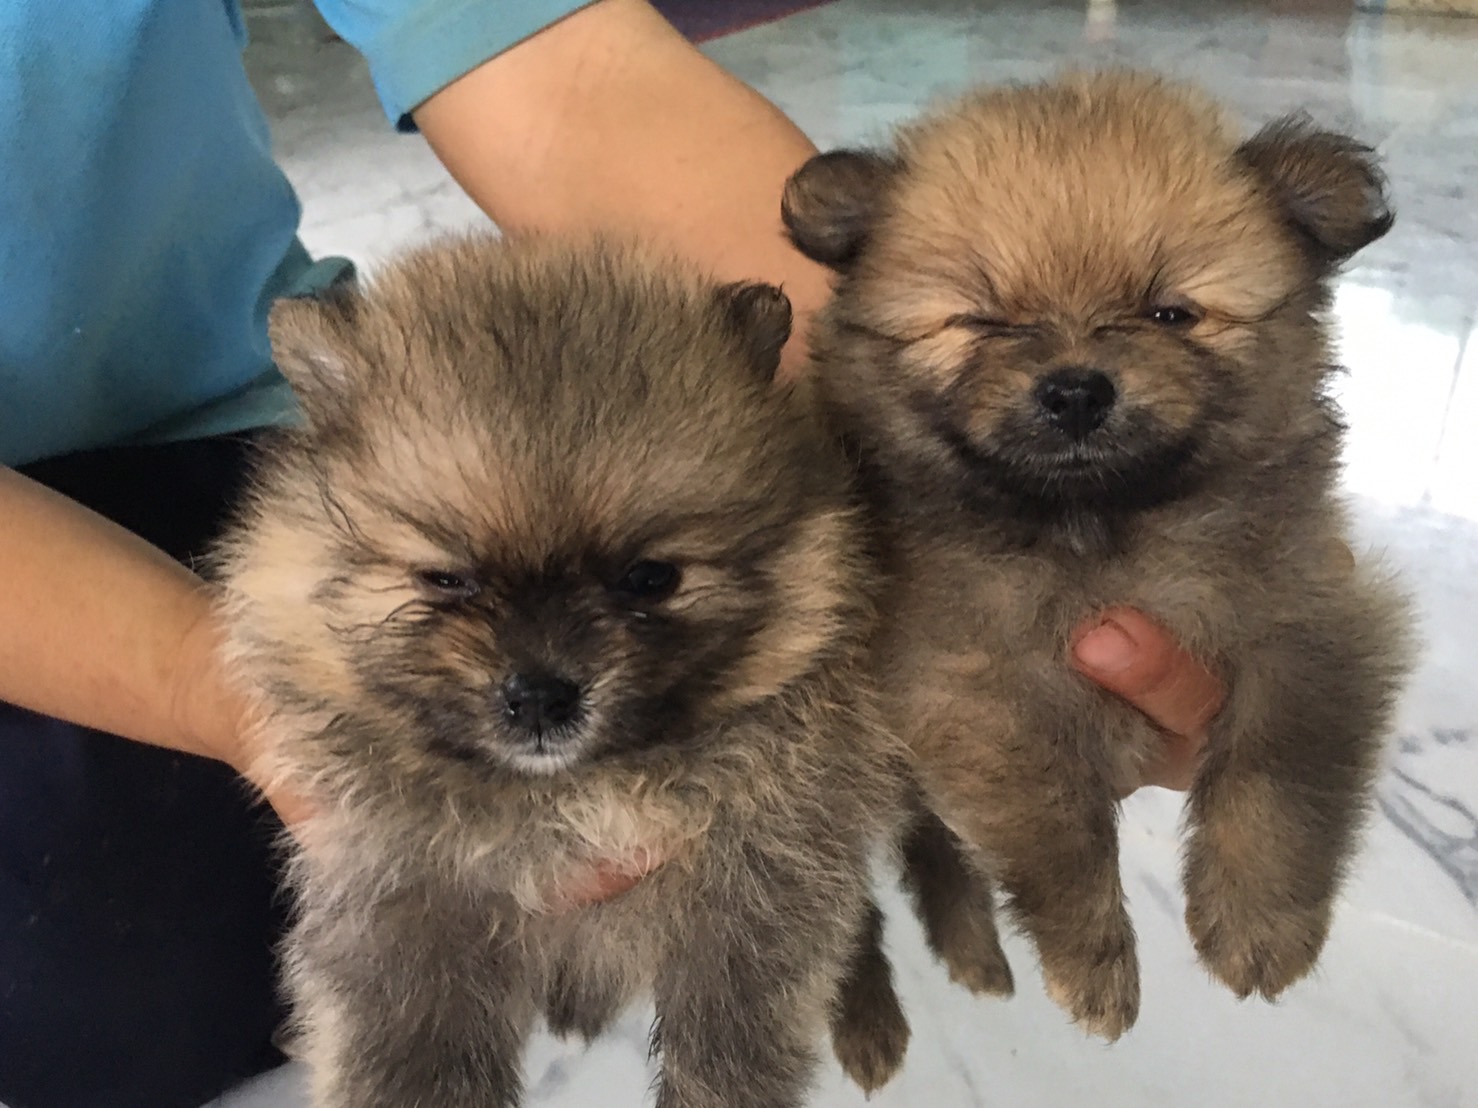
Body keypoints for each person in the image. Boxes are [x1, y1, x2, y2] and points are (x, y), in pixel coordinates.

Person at [0, 2, 1223, 1106]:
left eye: (646, 586)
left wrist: (948, 439)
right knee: (113, 992)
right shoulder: (354, 527)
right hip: (237, 506)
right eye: (447, 589)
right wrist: (216, 692)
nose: (539, 667)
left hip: (215, 414)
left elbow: (561, 73)